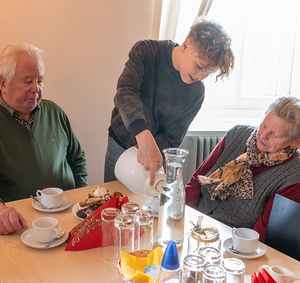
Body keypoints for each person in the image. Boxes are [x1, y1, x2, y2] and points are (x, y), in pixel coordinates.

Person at [105, 19, 235, 186]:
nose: (201, 76)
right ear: (186, 45)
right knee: (110, 204)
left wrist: (150, 151)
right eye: (199, 66)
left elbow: (172, 136)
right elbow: (125, 92)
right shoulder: (146, 51)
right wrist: (143, 136)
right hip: (120, 142)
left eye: (208, 73)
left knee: (145, 208)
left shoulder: (197, 92)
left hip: (155, 154)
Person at [0, 43, 88, 235]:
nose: (35, 88)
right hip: (22, 227)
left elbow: (77, 159)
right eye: (27, 81)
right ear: (3, 83)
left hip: (70, 218)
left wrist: (82, 199)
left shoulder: (54, 112)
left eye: (40, 81)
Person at [185, 96, 300, 242]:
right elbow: (197, 179)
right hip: (194, 224)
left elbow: (264, 234)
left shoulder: (294, 175)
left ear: (295, 142)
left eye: (275, 135)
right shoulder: (237, 135)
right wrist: (182, 216)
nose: (263, 136)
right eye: (264, 125)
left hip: (234, 244)